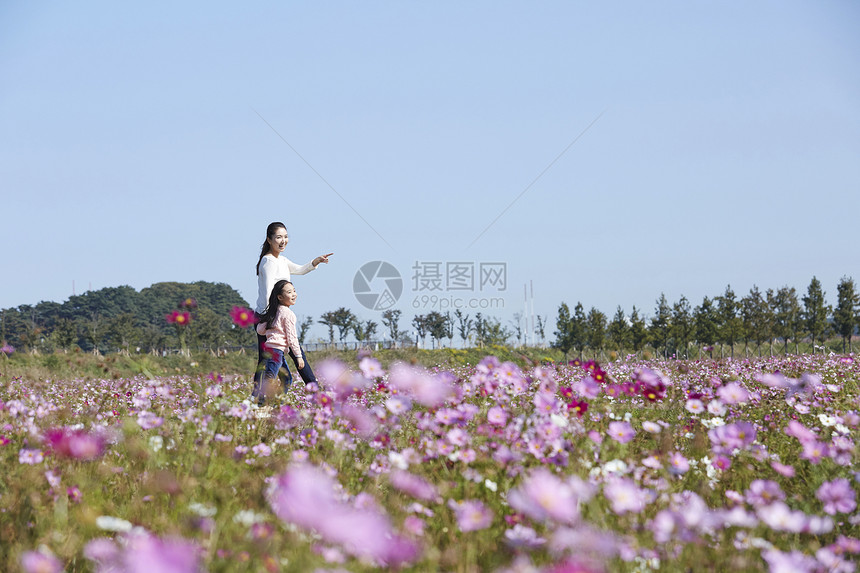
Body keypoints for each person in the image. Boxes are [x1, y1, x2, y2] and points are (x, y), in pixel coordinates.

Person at [254, 221, 332, 391]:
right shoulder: (268, 262)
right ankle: (313, 391)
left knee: (287, 356)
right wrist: (271, 320)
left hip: (277, 313)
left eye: (286, 237)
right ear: (269, 239)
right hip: (268, 316)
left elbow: (300, 269)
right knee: (274, 358)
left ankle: (262, 397)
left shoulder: (281, 260)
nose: (283, 241)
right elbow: (267, 292)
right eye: (278, 237)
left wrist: (315, 261)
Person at [253, 280, 303, 403]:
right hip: (277, 351)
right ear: (280, 297)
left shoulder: (274, 311)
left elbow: (260, 330)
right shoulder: (288, 314)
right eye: (289, 292)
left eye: (294, 291)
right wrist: (298, 356)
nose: (294, 294)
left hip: (270, 350)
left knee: (286, 379)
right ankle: (262, 404)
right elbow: (292, 337)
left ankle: (276, 404)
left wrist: (267, 318)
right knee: (270, 379)